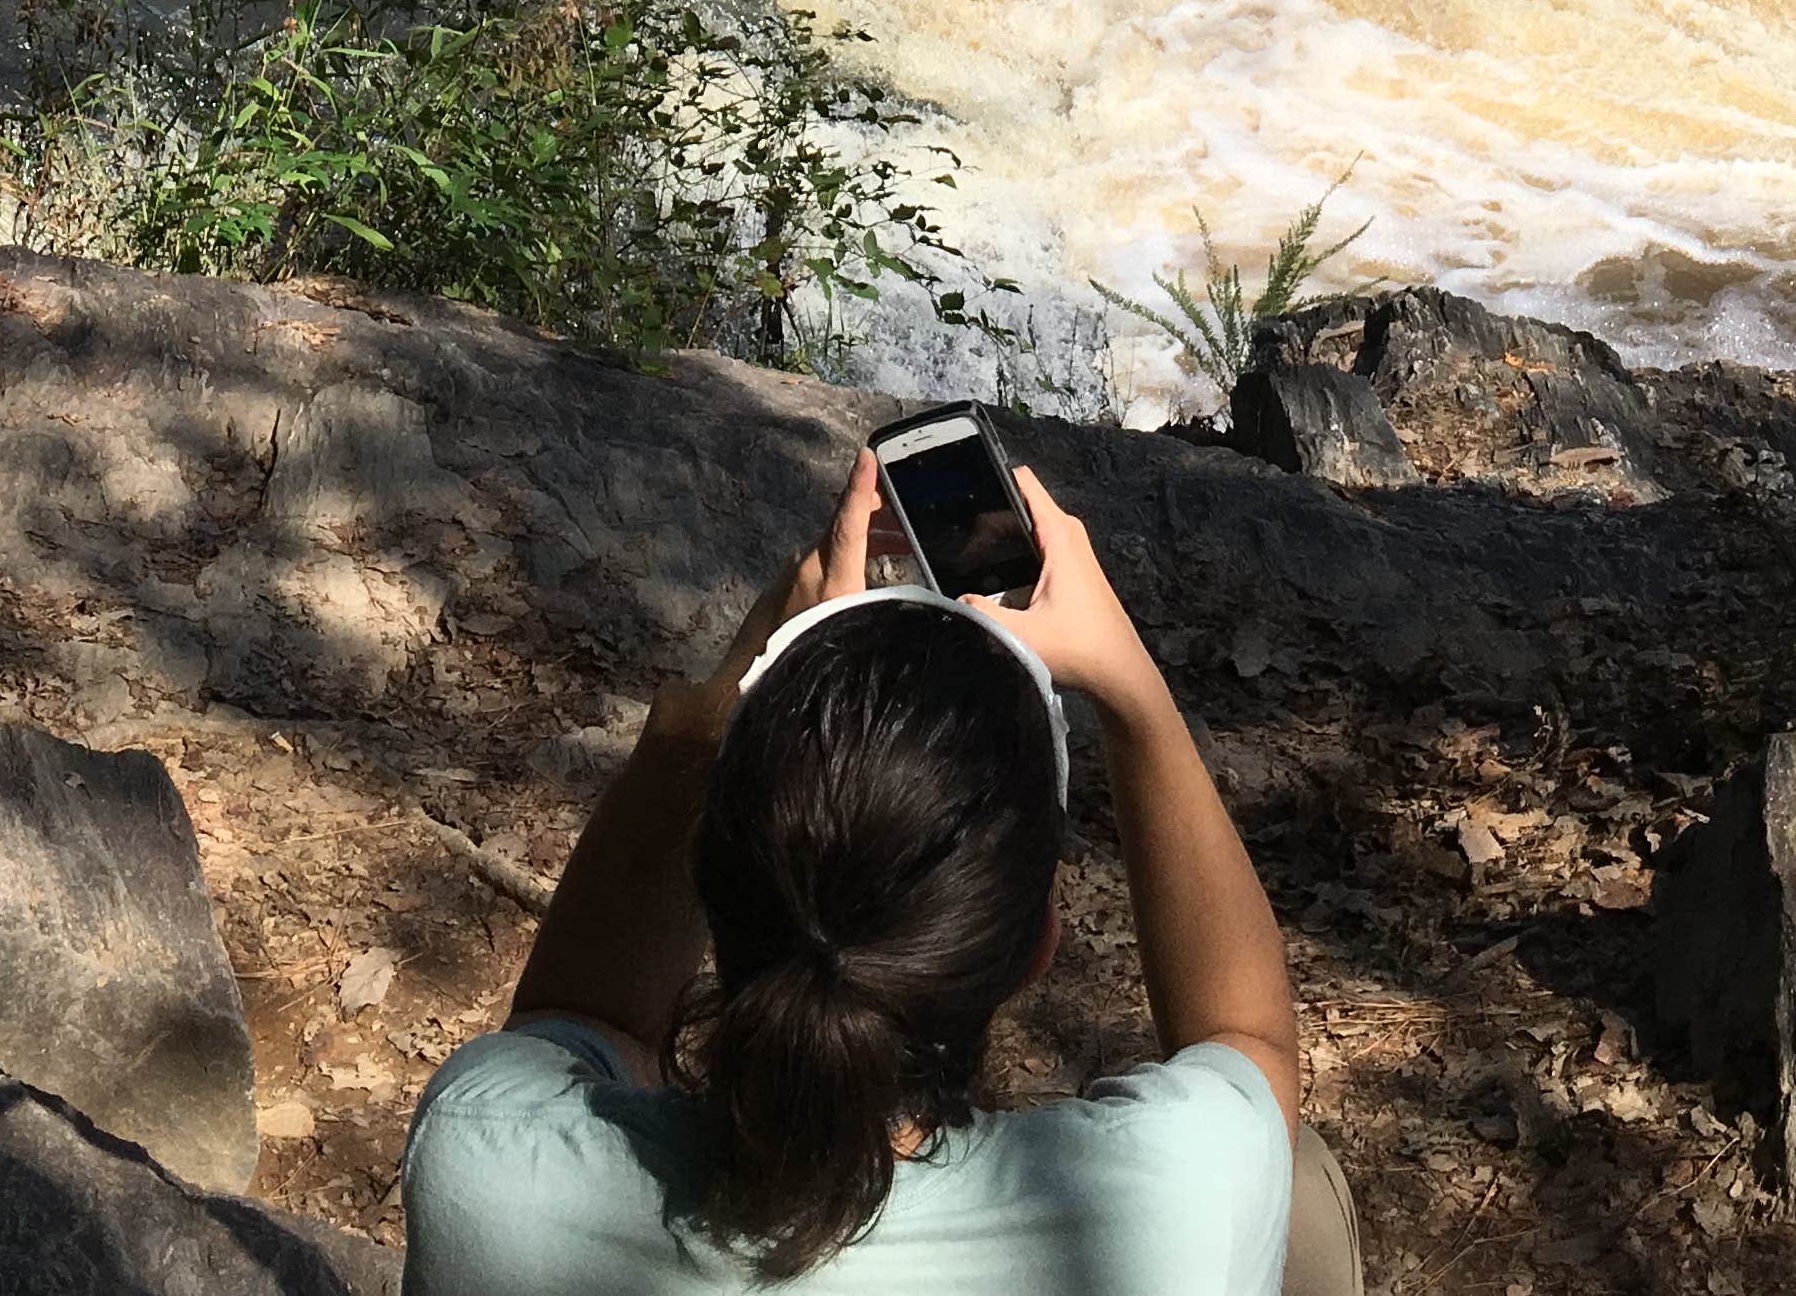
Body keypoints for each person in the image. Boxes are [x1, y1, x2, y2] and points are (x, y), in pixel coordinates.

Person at [402, 438, 1358, 1295]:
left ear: (713, 883)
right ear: (1035, 947)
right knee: (1297, 1188)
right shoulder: (1167, 1205)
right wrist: (1136, 697)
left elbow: (582, 1015)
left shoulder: (492, 1166)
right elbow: (1246, 1040)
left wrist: (716, 707)